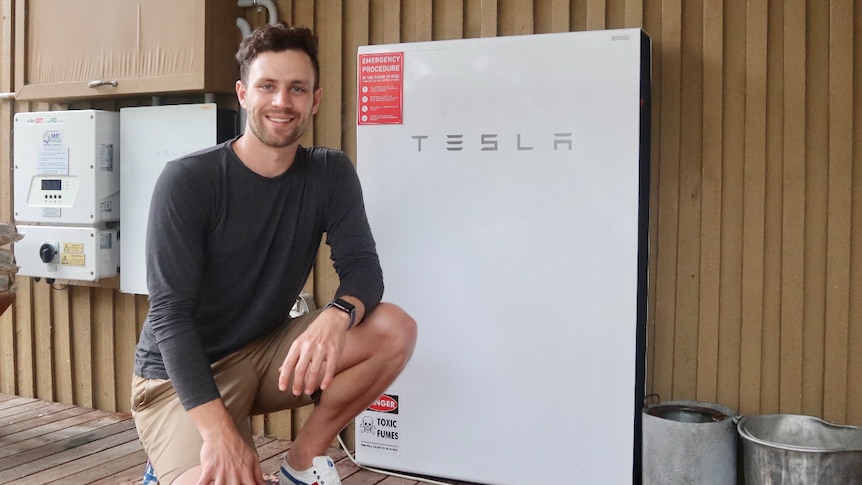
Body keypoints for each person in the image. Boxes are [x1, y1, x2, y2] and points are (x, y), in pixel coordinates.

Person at [130, 22, 417, 485]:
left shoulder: (329, 173)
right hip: (176, 378)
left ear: (314, 100)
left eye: (297, 89)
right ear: (243, 94)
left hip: (263, 355)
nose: (283, 102)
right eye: (268, 86)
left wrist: (336, 315)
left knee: (393, 329)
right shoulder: (188, 180)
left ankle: (301, 465)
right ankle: (174, 458)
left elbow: (363, 269)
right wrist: (219, 435)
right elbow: (169, 316)